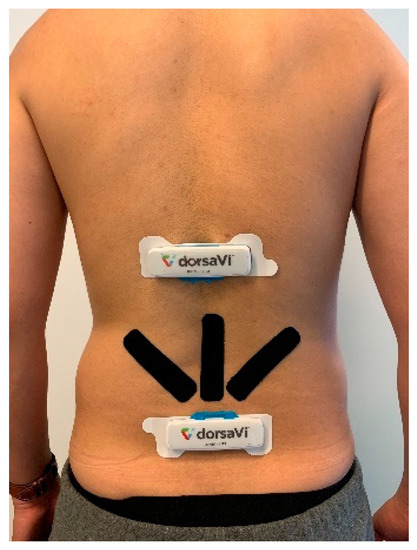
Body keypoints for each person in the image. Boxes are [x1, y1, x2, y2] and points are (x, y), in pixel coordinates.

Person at [9, 9, 408, 541]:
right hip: (310, 501)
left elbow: (10, 324)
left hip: (111, 502)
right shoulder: (356, 41)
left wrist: (30, 491)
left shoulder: (45, 50)